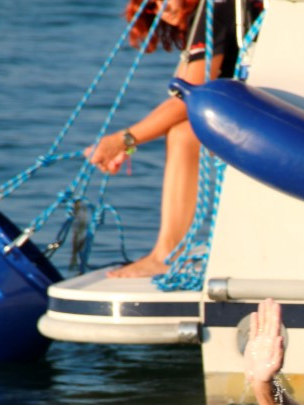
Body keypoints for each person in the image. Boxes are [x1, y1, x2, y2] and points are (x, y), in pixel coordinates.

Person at [87, 0, 245, 278]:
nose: (163, 8)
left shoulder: (216, 10)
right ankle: (167, 251)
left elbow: (189, 98)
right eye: (152, 5)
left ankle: (166, 254)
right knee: (182, 131)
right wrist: (128, 144)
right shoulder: (205, 19)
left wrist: (123, 140)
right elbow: (179, 99)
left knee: (184, 135)